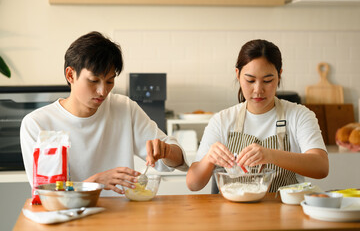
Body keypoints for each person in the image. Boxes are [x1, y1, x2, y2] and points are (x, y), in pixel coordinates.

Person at [20, 31, 188, 196]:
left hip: (122, 216)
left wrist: (166, 151)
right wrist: (95, 183)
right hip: (69, 219)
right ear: (70, 75)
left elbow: (178, 162)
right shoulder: (37, 124)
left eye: (110, 81)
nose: (103, 91)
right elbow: (46, 195)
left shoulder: (124, 108)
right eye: (93, 81)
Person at [186, 39, 329, 193]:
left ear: (279, 75)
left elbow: (321, 167)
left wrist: (270, 155)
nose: (258, 90)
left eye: (267, 80)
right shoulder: (222, 120)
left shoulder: (299, 115)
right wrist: (208, 159)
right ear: (238, 74)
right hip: (232, 214)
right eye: (250, 80)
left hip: (284, 212)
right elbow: (193, 184)